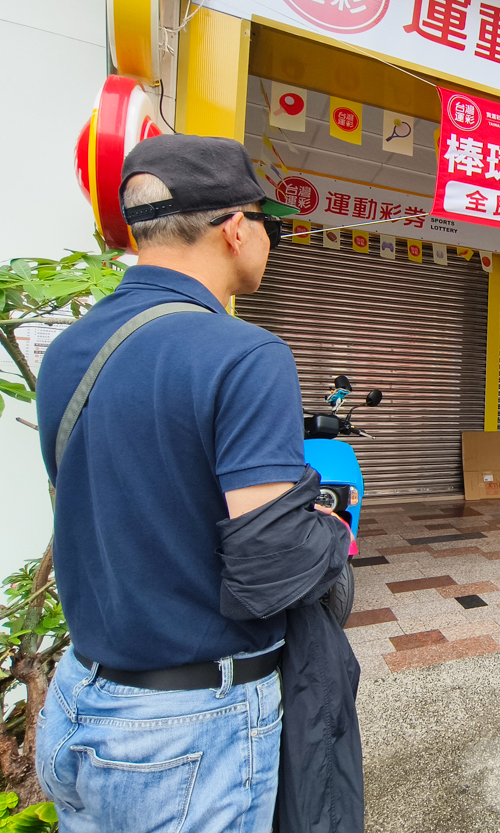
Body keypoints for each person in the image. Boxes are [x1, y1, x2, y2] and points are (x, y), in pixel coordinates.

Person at [34, 135, 360, 832]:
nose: (270, 237)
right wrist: (330, 529)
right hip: (185, 736)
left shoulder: (68, 351)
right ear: (235, 226)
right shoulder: (244, 353)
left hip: (76, 705)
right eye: (266, 221)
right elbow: (272, 567)